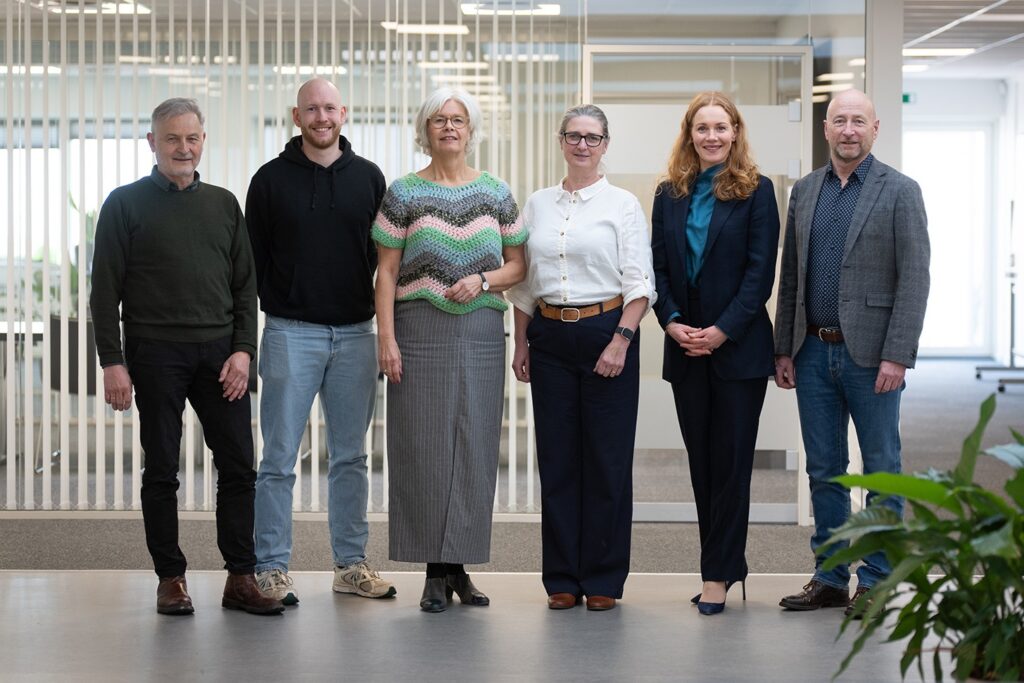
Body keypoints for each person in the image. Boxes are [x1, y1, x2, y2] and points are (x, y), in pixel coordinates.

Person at [90, 98, 283, 616]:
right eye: (172, 138)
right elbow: (104, 291)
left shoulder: (223, 204)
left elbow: (245, 286)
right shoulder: (124, 204)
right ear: (152, 142)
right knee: (161, 470)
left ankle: (240, 578)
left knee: (239, 466)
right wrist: (112, 360)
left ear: (203, 142)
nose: (183, 148)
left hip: (221, 355)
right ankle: (170, 579)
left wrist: (243, 350)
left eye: (192, 138)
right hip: (154, 353)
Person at [774, 89, 930, 617]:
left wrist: (898, 354)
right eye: (839, 120)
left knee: (881, 470)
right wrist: (784, 347)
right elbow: (791, 276)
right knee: (824, 470)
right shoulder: (805, 191)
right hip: (812, 352)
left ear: (875, 128)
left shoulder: (900, 191)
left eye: (858, 121)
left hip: (874, 357)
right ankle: (830, 577)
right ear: (825, 128)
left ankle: (878, 580)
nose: (848, 130)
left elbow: (915, 279)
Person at [372, 87, 527, 613]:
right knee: (422, 447)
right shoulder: (403, 193)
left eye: (458, 119)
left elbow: (518, 266)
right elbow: (387, 272)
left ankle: (459, 567)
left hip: (481, 332)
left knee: (474, 446)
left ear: (471, 129)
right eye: (439, 120)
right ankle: (433, 572)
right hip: (418, 330)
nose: (449, 127)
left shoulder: (495, 193)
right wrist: (386, 338)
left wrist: (483, 279)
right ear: (425, 130)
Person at [246, 78, 393, 605]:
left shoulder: (370, 179)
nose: (322, 117)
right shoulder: (268, 180)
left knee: (351, 457)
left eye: (330, 108)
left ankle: (350, 565)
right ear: (297, 116)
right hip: (290, 333)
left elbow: (383, 261)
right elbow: (253, 262)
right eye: (312, 109)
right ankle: (270, 568)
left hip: (356, 335)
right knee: (279, 459)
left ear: (343, 113)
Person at [509, 104, 655, 612]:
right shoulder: (538, 204)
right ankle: (562, 579)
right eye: (574, 136)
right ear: (561, 141)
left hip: (605, 333)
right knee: (557, 461)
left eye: (592, 137)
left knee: (606, 461)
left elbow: (640, 282)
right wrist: (521, 342)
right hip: (549, 336)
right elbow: (525, 283)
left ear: (605, 144)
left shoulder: (622, 205)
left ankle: (603, 577)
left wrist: (621, 341)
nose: (582, 145)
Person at [650, 91, 780, 616]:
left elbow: (759, 274)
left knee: (731, 465)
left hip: (738, 348)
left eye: (720, 127)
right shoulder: (668, 194)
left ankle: (717, 575)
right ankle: (724, 564)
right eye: (701, 128)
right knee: (702, 465)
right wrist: (671, 321)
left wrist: (723, 330)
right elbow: (658, 267)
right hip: (685, 346)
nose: (711, 136)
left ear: (735, 132)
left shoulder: (757, 191)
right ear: (689, 134)